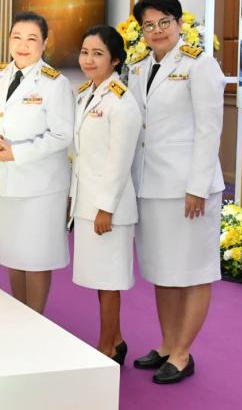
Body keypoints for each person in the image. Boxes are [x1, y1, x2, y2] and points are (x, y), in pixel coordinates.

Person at [127, 0, 225, 384]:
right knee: (162, 269)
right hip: (151, 184)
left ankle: (183, 354)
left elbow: (209, 130)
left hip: (188, 189)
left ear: (179, 23)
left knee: (194, 270)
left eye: (164, 22)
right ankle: (168, 344)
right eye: (148, 25)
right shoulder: (138, 68)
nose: (157, 31)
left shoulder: (200, 65)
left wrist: (198, 186)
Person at [0, 12, 73, 314]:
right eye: (17, 37)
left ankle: (36, 319)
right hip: (2, 182)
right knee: (12, 253)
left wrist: (15, 153)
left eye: (32, 39)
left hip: (40, 187)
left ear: (44, 43)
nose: (23, 45)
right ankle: (21, 315)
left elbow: (62, 135)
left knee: (37, 257)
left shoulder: (55, 83)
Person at [70, 25, 141, 366]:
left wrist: (106, 209)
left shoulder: (121, 101)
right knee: (100, 278)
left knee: (109, 280)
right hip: (88, 203)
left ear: (115, 60)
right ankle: (116, 338)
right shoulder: (86, 93)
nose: (89, 59)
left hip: (108, 208)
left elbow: (119, 161)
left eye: (98, 54)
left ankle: (106, 349)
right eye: (85, 52)